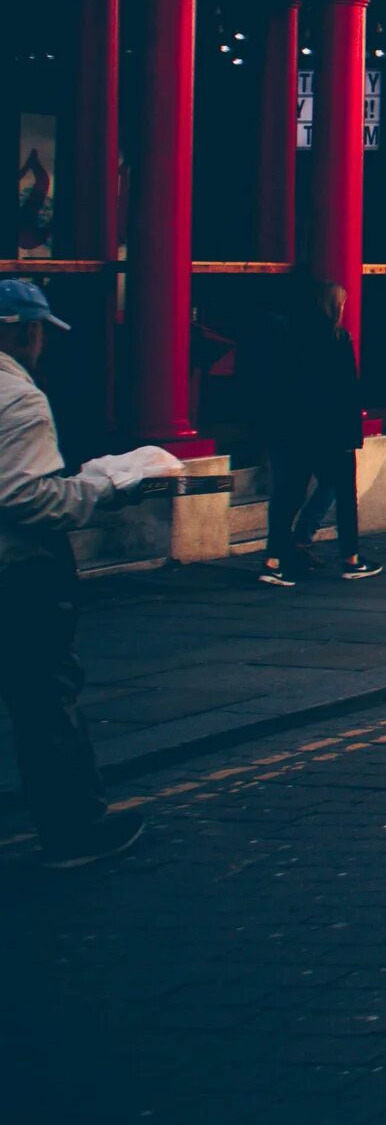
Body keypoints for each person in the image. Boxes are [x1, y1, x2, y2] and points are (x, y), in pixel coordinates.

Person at [0, 279, 177, 866]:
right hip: (18, 570)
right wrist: (99, 489)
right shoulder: (18, 398)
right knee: (44, 698)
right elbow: (28, 497)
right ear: (28, 331)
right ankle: (73, 829)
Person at [254, 282, 381, 586]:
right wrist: (353, 436)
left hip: (293, 430)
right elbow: (347, 391)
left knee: (287, 495)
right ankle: (351, 558)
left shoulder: (286, 338)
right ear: (332, 307)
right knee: (344, 494)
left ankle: (273, 562)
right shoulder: (337, 339)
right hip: (330, 432)